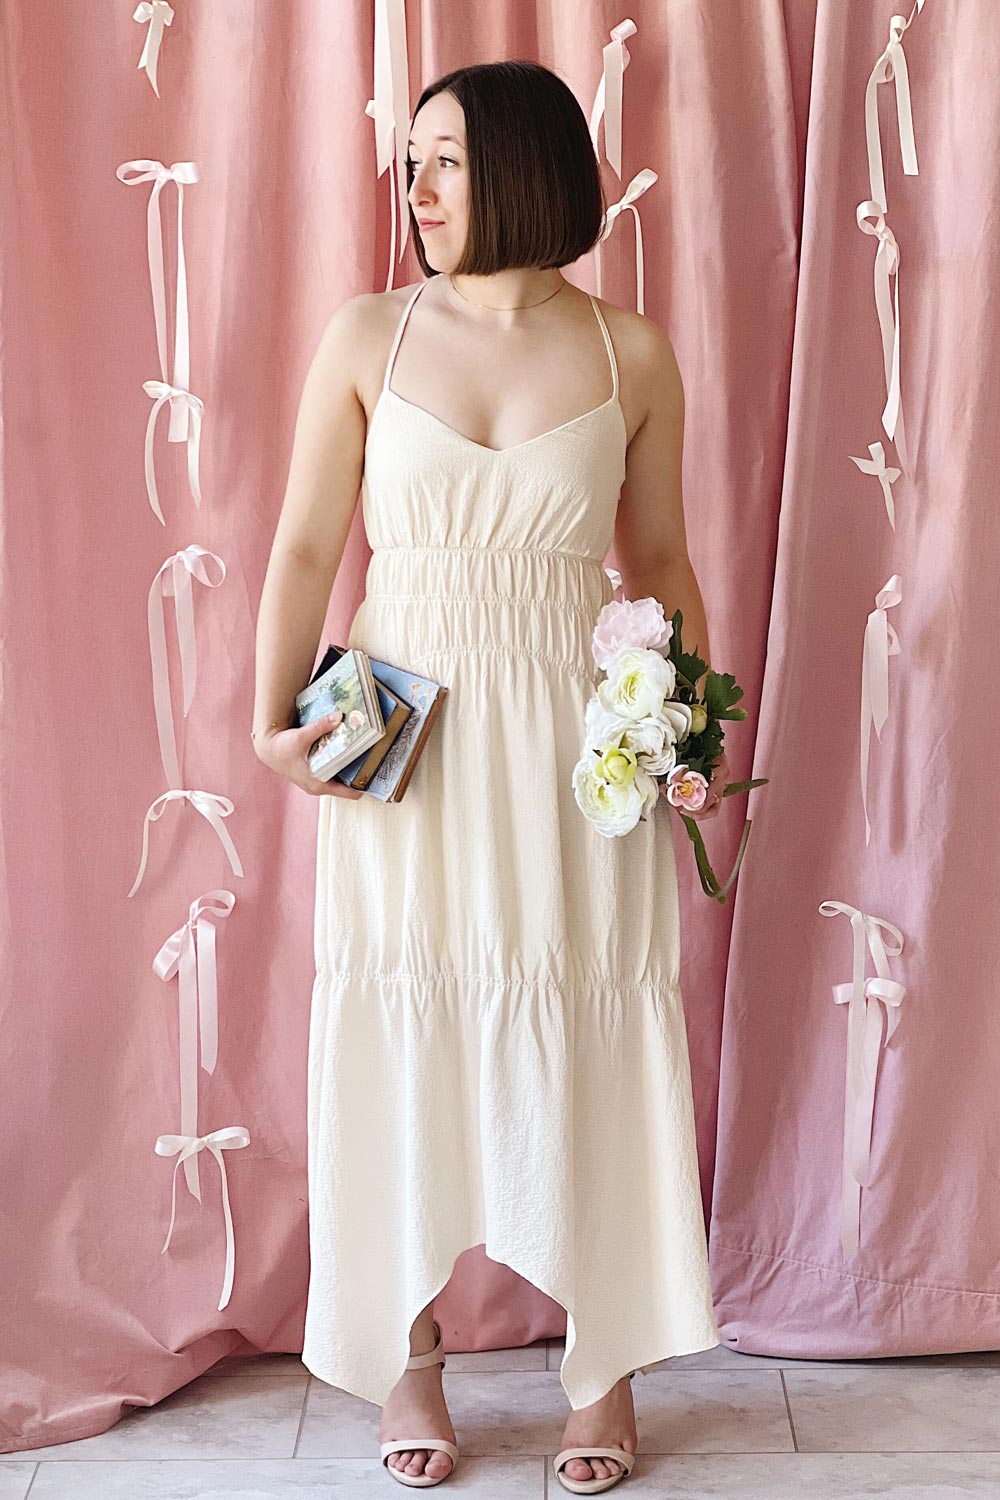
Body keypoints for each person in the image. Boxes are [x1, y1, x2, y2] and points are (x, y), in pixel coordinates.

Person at [252, 59, 726, 1495]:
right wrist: (272, 723)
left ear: (523, 164)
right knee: (404, 1015)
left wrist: (690, 735)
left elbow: (661, 560)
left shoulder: (631, 353)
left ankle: (606, 1369)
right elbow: (305, 544)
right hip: (399, 726)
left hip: (579, 747)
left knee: (589, 1016)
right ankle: (408, 1354)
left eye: (446, 159)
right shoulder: (367, 335)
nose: (417, 188)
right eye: (412, 162)